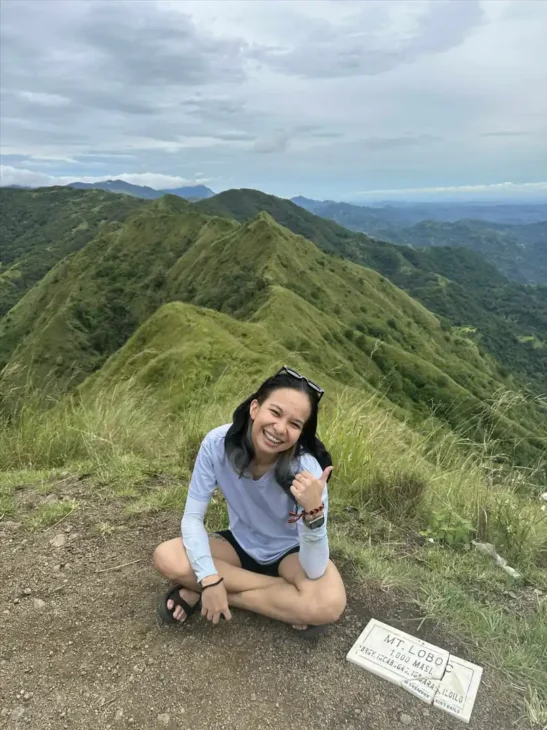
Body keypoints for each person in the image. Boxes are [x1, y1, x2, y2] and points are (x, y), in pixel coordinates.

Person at [153, 365, 346, 637]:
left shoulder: (309, 472)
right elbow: (192, 518)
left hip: (290, 555)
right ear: (255, 408)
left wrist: (314, 512)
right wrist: (209, 579)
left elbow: (314, 569)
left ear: (301, 433)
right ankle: (284, 601)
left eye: (294, 424)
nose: (280, 429)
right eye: (275, 412)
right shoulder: (217, 443)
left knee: (330, 602)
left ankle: (220, 593)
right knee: (167, 556)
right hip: (240, 544)